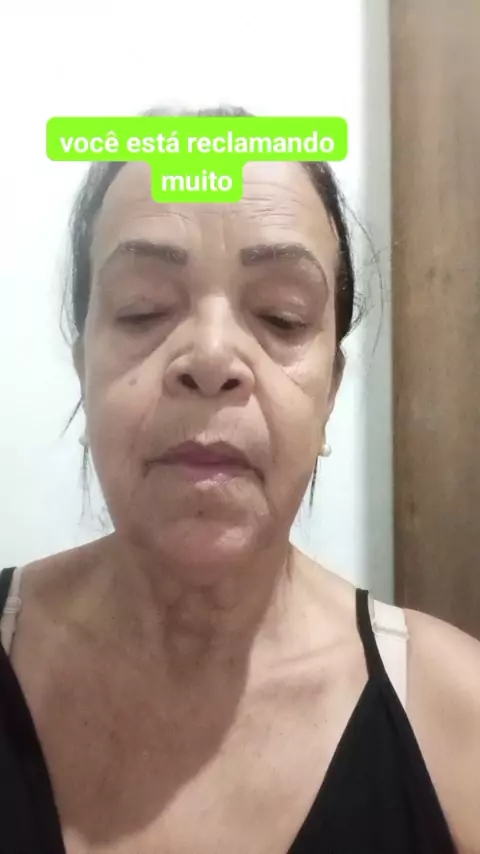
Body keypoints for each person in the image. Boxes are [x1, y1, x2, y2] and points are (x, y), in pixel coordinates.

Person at [1, 106, 479, 854]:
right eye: (143, 309)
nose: (212, 357)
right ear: (82, 367)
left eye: (282, 317)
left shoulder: (458, 719)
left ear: (330, 391)